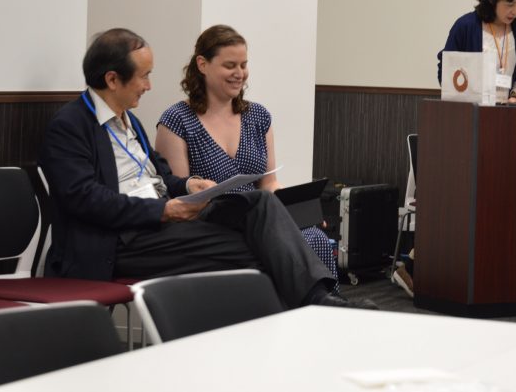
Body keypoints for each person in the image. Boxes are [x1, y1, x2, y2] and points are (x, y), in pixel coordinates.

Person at [39, 28, 366, 309]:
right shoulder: (70, 126)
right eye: (144, 76)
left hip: (162, 224)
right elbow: (83, 199)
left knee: (259, 203)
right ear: (112, 79)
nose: (149, 85)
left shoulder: (129, 121)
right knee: (263, 249)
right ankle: (319, 307)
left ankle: (319, 305)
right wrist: (163, 211)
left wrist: (187, 186)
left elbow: (160, 177)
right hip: (121, 240)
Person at [155, 24, 339, 282]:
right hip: (209, 228)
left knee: (314, 236)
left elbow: (268, 183)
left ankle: (321, 313)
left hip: (261, 220)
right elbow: (178, 195)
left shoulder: (258, 116)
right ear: (202, 64)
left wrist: (297, 213)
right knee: (280, 245)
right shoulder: (177, 120)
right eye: (230, 65)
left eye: (243, 65)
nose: (239, 74)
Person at [437, 0, 516, 103]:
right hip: (470, 113)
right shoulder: (465, 26)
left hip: (507, 112)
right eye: (510, 4)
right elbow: (446, 69)